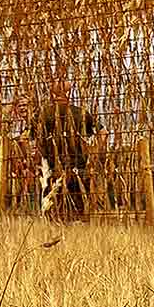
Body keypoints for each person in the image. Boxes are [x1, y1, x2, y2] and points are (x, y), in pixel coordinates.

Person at [33, 83, 100, 219]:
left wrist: (37, 160)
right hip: (78, 168)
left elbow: (29, 139)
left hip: (52, 169)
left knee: (53, 212)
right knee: (79, 211)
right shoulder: (80, 113)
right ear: (69, 93)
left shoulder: (43, 113)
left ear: (52, 95)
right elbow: (103, 133)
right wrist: (93, 156)